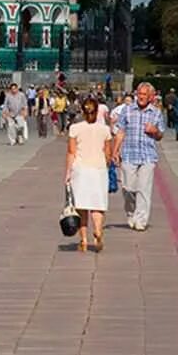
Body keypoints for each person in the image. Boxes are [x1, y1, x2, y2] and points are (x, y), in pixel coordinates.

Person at [110, 82, 164, 231]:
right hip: (128, 154)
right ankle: (131, 212)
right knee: (128, 188)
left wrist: (154, 131)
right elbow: (120, 132)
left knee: (144, 189)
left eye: (144, 95)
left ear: (151, 97)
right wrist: (115, 151)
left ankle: (141, 220)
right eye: (139, 94)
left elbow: (160, 135)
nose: (140, 97)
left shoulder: (156, 113)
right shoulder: (127, 110)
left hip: (147, 156)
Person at [65, 97, 114, 253]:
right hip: (99, 170)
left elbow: (71, 152)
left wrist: (68, 172)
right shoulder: (105, 129)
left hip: (80, 170)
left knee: (82, 207)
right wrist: (106, 165)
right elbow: (108, 153)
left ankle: (84, 240)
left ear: (82, 110)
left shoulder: (75, 128)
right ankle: (98, 231)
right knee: (97, 206)